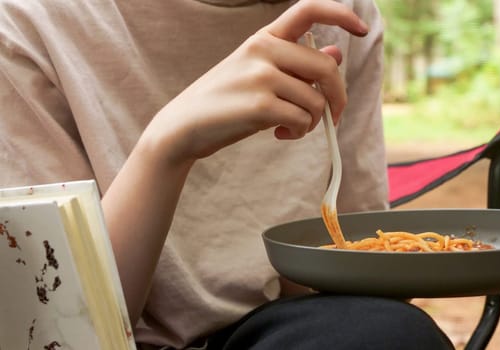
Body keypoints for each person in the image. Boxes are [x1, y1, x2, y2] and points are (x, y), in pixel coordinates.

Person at [0, 0, 454, 349]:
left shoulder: (341, 14)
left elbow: (357, 280)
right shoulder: (29, 20)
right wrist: (168, 147)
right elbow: (52, 327)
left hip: (286, 330)